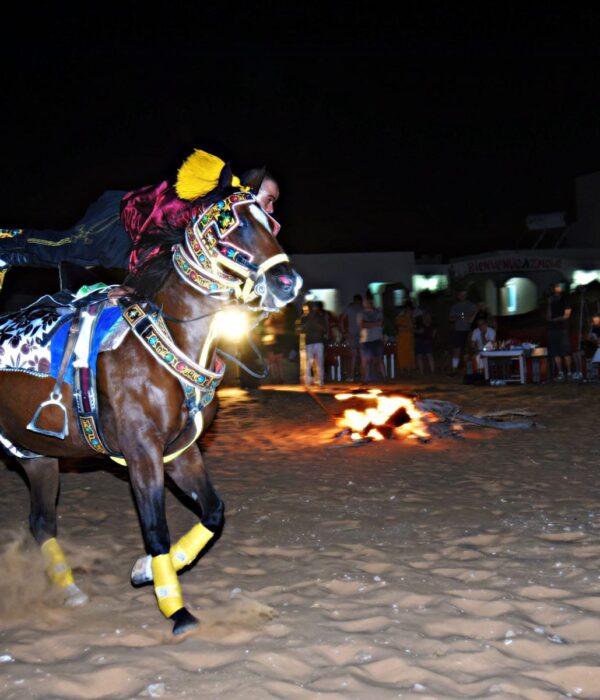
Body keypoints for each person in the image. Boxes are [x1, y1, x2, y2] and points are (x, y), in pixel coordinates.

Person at [0, 149, 280, 285]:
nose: (271, 210)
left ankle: (10, 257)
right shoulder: (202, 201)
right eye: (269, 200)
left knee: (72, 260)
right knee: (63, 247)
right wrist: (132, 288)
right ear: (250, 191)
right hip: (115, 220)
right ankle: (7, 243)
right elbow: (153, 234)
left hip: (131, 245)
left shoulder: (228, 220)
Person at [546, 282, 573, 380]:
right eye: (555, 286)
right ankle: (560, 372)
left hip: (563, 329)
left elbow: (567, 315)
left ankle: (569, 372)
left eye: (559, 287)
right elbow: (548, 317)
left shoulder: (566, 300)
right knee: (555, 352)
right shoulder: (551, 300)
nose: (557, 288)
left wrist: (555, 319)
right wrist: (549, 304)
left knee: (565, 351)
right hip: (552, 330)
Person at [448, 289, 478, 375]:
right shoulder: (455, 306)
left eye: (464, 294)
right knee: (457, 350)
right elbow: (450, 318)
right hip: (459, 330)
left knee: (470, 350)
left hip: (470, 331)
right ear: (458, 296)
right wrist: (460, 317)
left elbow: (472, 318)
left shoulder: (471, 305)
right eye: (460, 295)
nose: (462, 296)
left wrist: (469, 317)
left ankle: (471, 370)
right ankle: (454, 370)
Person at [299, 301, 328, 387]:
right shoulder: (304, 318)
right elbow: (301, 330)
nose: (310, 309)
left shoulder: (320, 317)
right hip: (310, 342)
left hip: (317, 341)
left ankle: (320, 381)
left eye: (311, 307)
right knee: (309, 362)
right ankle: (309, 381)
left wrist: (314, 323)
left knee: (319, 362)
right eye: (309, 307)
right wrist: (309, 324)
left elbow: (324, 329)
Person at [359, 296, 386, 382]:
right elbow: (363, 325)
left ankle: (384, 378)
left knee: (380, 359)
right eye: (366, 302)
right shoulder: (361, 314)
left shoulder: (378, 312)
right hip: (366, 340)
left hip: (377, 339)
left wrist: (369, 324)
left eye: (368, 301)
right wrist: (375, 323)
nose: (367, 303)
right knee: (366, 360)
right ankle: (365, 379)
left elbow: (381, 323)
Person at [339, 293, 363, 381]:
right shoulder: (362, 308)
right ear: (360, 300)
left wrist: (343, 332)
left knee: (353, 355)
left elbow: (342, 319)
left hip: (351, 333)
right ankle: (362, 375)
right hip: (362, 334)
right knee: (362, 355)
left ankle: (351, 376)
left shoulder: (349, 307)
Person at [394, 300, 416, 376]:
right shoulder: (400, 317)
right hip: (402, 339)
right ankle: (402, 372)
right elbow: (399, 328)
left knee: (410, 355)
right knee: (402, 354)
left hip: (409, 340)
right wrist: (407, 328)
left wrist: (408, 328)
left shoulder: (412, 318)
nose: (410, 311)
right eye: (408, 310)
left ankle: (409, 372)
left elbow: (413, 328)